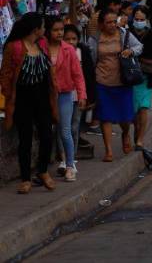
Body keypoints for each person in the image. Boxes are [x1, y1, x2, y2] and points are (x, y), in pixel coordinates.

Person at [0, 13, 59, 194]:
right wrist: (9, 96)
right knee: (24, 140)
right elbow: (6, 75)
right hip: (23, 99)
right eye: (43, 27)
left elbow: (49, 71)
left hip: (42, 97)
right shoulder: (14, 47)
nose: (45, 30)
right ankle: (25, 179)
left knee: (46, 135)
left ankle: (42, 171)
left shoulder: (42, 45)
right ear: (35, 29)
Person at [87, 9, 143, 162]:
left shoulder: (124, 33)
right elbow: (90, 60)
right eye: (108, 22)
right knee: (105, 116)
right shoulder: (95, 39)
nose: (112, 25)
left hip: (123, 82)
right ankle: (109, 151)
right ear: (101, 24)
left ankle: (125, 134)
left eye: (114, 21)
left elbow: (139, 47)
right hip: (102, 82)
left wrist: (130, 51)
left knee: (125, 118)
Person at [42, 16, 87, 182]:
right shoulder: (41, 48)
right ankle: (44, 169)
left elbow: (78, 75)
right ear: (47, 31)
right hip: (45, 95)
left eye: (61, 29)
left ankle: (70, 165)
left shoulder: (68, 50)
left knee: (65, 131)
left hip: (65, 94)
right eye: (55, 30)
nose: (59, 33)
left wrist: (82, 95)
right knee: (46, 131)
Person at [63, 24, 97, 159]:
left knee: (74, 126)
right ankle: (63, 156)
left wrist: (90, 97)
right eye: (68, 39)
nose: (71, 42)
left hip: (78, 95)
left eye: (74, 39)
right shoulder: (57, 52)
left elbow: (89, 75)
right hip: (63, 95)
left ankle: (72, 154)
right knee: (64, 127)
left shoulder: (82, 51)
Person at [130, 5, 152, 149]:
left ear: (146, 20)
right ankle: (136, 131)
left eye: (141, 19)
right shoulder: (127, 32)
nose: (138, 21)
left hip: (146, 76)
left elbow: (150, 53)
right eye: (136, 19)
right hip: (130, 77)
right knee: (134, 109)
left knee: (143, 107)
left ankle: (140, 139)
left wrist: (133, 53)